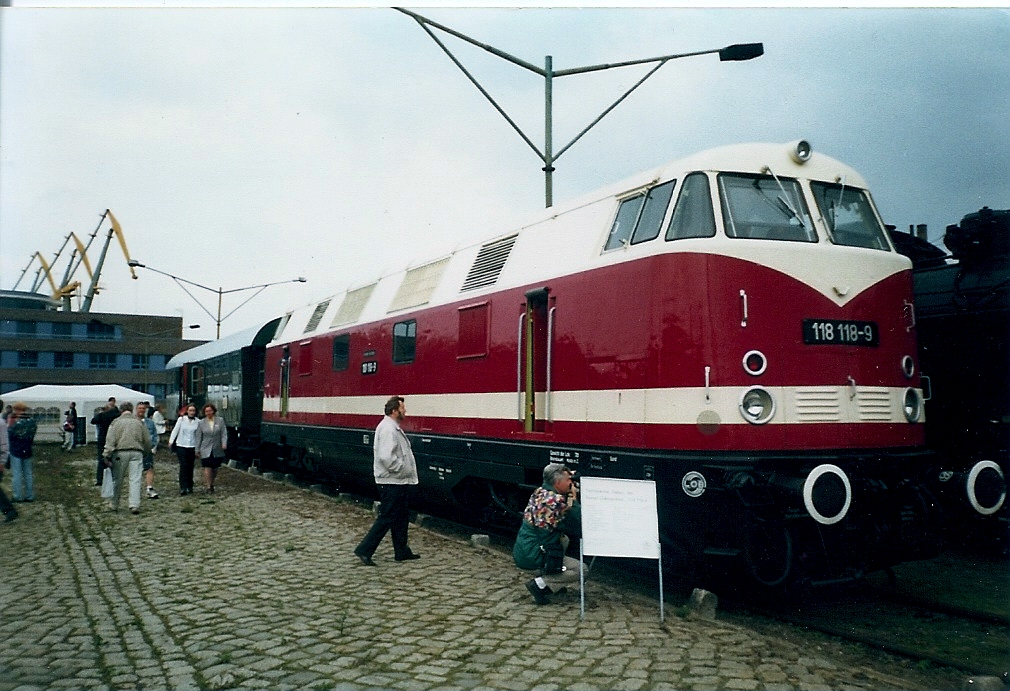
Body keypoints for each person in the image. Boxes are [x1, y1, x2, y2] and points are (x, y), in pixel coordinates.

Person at [353, 396, 420, 566]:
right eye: (402, 408)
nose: (405, 411)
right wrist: (402, 469)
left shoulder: (392, 427)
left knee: (401, 516)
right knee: (388, 516)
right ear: (394, 410)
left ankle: (401, 551)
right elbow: (386, 458)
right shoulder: (388, 429)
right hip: (392, 480)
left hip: (397, 480)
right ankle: (364, 550)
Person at [513, 462, 582, 605]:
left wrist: (567, 476)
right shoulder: (556, 501)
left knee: (564, 539)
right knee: (581, 570)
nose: (571, 483)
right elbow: (580, 519)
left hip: (524, 550)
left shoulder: (540, 492)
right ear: (557, 482)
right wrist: (574, 499)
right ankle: (540, 585)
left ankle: (551, 583)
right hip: (533, 555)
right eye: (568, 480)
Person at [102, 402, 153, 515]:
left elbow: (110, 440)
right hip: (137, 452)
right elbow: (148, 440)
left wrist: (106, 454)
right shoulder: (139, 422)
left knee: (118, 480)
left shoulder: (116, 423)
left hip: (120, 453)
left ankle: (114, 504)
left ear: (121, 410)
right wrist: (146, 452)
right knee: (135, 479)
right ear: (132, 410)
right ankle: (134, 505)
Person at [7, 402, 38, 503]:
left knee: (17, 474)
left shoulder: (16, 422)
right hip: (27, 449)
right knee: (28, 473)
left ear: (18, 410)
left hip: (15, 450)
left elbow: (9, 434)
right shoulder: (32, 421)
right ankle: (29, 495)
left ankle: (18, 496)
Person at [195, 404, 227, 493]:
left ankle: (212, 482)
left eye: (210, 411)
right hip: (205, 448)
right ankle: (209, 486)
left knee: (215, 467)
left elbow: (224, 433)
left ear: (213, 411)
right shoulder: (201, 423)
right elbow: (198, 437)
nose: (208, 413)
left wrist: (224, 443)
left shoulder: (220, 421)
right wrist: (197, 449)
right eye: (206, 411)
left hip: (217, 447)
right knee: (207, 466)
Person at [169, 404, 199, 495]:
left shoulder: (198, 422)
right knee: (183, 465)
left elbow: (198, 435)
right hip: (181, 445)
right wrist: (171, 441)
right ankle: (183, 486)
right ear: (187, 411)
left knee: (190, 466)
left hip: (192, 446)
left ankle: (190, 485)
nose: (192, 412)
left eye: (193, 411)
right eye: (190, 410)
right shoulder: (181, 420)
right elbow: (175, 430)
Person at [90, 398, 120, 486]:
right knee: (114, 458)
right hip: (115, 438)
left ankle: (100, 479)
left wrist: (101, 413)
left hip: (103, 438)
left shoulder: (103, 415)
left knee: (101, 458)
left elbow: (93, 421)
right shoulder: (118, 415)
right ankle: (114, 477)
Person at [136, 401, 159, 499]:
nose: (142, 410)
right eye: (140, 408)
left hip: (147, 449)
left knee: (149, 468)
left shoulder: (150, 422)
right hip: (136, 449)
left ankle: (149, 487)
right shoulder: (133, 421)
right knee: (136, 470)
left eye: (143, 408)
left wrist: (152, 446)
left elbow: (154, 434)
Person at [0, 400, 18, 523]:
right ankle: (9, 510)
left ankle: (9, 510)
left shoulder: (0, 424)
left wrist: (2, 462)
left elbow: (4, 445)